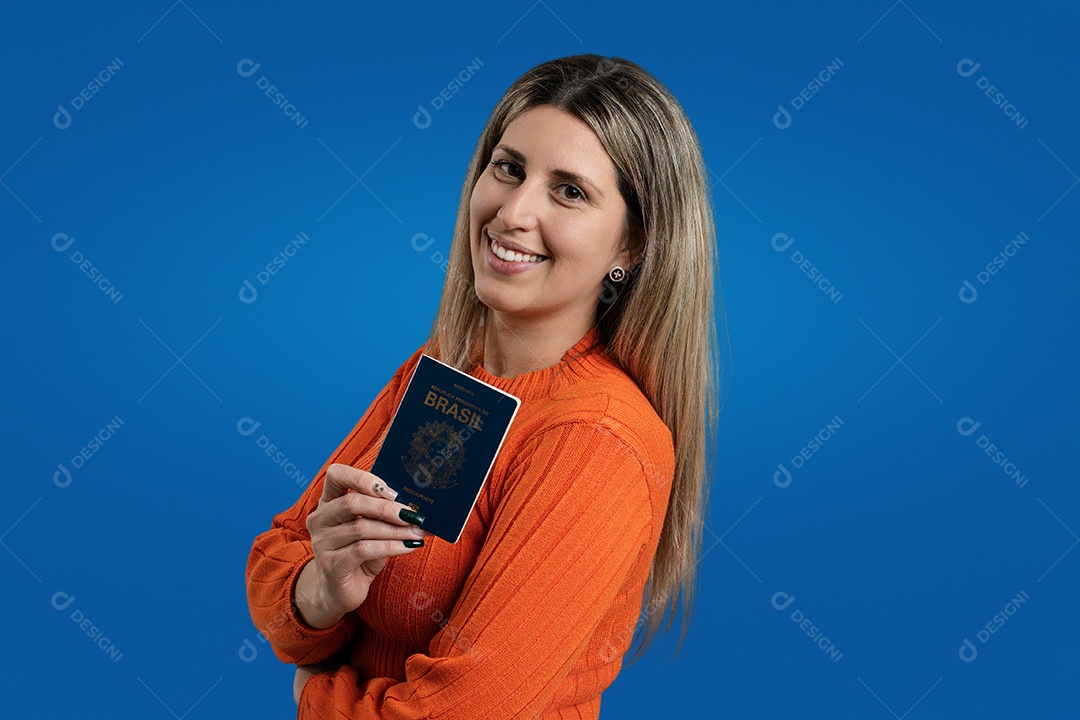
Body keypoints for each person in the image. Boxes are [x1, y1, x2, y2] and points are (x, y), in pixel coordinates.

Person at [246, 54, 720, 718]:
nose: (514, 212)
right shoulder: (444, 368)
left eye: (570, 191)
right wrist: (321, 592)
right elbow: (273, 561)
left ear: (631, 247)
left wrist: (316, 693)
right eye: (510, 168)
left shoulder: (597, 439)